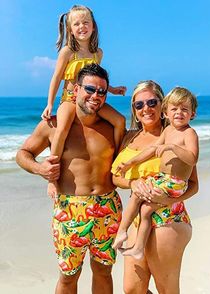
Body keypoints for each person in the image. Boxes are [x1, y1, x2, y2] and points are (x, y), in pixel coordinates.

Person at [16, 64, 123, 294]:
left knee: (104, 272)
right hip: (70, 210)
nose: (96, 96)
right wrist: (40, 168)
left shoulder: (110, 126)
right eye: (90, 89)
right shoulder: (53, 125)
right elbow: (22, 154)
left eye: (102, 91)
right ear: (76, 89)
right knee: (68, 276)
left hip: (108, 206)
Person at [111, 81, 199, 294]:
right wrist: (132, 182)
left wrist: (170, 200)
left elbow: (193, 185)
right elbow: (115, 177)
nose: (146, 108)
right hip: (138, 217)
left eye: (152, 102)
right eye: (139, 105)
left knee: (166, 288)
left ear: (163, 106)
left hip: (168, 217)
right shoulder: (128, 137)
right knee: (132, 290)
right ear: (134, 109)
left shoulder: (176, 133)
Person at [41, 5, 126, 198]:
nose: (82, 27)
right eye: (76, 24)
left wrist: (112, 89)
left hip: (92, 101)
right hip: (70, 99)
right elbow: (56, 77)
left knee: (120, 121)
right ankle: (52, 180)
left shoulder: (98, 53)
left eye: (86, 22)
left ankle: (117, 161)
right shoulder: (68, 51)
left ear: (93, 26)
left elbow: (96, 79)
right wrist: (50, 104)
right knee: (61, 131)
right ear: (70, 29)